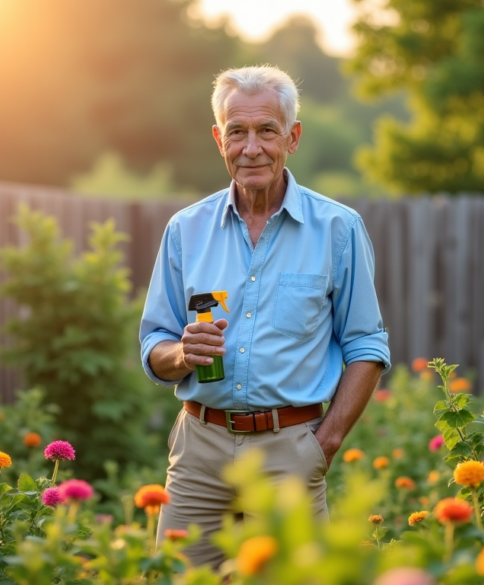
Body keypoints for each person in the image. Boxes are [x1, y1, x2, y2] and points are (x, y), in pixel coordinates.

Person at [138, 65, 391, 568]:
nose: (251, 147)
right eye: (237, 132)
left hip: (289, 453)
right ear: (219, 139)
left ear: (292, 137)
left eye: (266, 131)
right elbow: (153, 344)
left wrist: (326, 442)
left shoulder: (338, 228)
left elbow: (367, 346)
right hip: (198, 454)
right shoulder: (185, 229)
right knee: (173, 579)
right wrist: (182, 353)